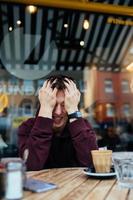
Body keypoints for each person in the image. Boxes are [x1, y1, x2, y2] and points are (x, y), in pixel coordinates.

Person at [18, 75, 98, 170]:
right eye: (52, 104)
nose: (58, 112)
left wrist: (73, 111)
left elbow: (92, 165)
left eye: (64, 105)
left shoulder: (82, 126)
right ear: (43, 103)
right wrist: (45, 111)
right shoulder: (27, 127)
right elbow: (31, 167)